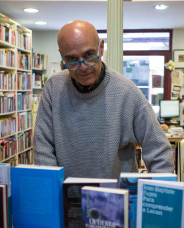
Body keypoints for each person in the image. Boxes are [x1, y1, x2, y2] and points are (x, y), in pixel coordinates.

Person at [34, 20, 174, 179]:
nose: (83, 67)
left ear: (101, 48)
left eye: (88, 55)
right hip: (66, 199)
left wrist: (155, 199)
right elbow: (42, 151)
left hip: (117, 200)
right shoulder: (53, 88)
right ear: (62, 56)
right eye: (72, 59)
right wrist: (51, 195)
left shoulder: (127, 92)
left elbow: (161, 154)